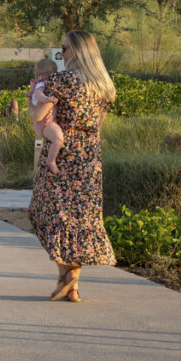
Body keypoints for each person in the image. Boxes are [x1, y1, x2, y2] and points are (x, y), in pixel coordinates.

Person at [27, 30, 117, 303]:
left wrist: (34, 105)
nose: (61, 55)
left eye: (64, 49)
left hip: (62, 156)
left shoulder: (63, 80)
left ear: (77, 51)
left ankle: (65, 279)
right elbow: (98, 125)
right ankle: (71, 284)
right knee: (78, 222)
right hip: (88, 160)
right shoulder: (103, 84)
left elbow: (39, 114)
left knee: (51, 216)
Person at [28, 58, 64, 175]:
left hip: (46, 121)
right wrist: (47, 99)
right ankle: (51, 161)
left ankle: (51, 159)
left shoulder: (46, 83)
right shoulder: (41, 83)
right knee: (58, 138)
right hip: (44, 123)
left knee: (58, 139)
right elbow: (38, 94)